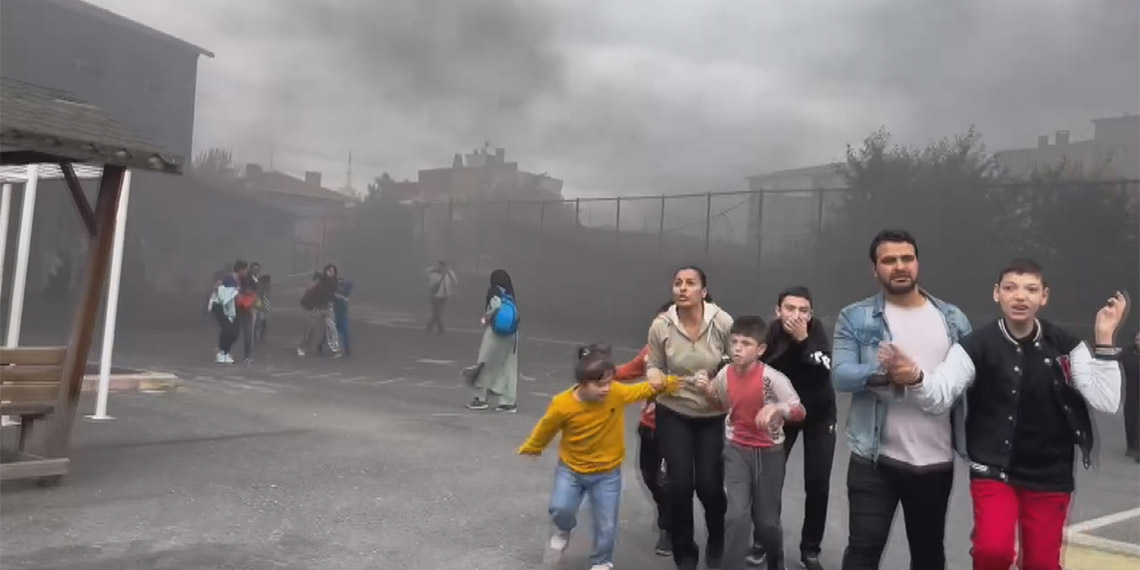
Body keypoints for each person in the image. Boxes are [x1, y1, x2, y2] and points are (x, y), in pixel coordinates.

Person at [881, 259, 1128, 570]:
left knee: (1041, 564)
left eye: (1031, 289)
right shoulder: (975, 345)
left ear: (1044, 296)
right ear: (997, 293)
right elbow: (938, 395)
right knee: (992, 552)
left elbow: (1106, 400)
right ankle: (989, 540)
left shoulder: (1067, 345)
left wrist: (1104, 337)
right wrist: (916, 376)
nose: (1020, 296)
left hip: (1051, 474)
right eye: (1011, 288)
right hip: (993, 470)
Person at [831, 229, 971, 570]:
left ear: (917, 263)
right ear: (875, 269)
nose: (899, 266)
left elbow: (970, 378)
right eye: (889, 260)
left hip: (935, 462)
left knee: (928, 554)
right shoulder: (855, 316)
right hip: (874, 458)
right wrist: (887, 374)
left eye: (907, 258)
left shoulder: (953, 319)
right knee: (863, 551)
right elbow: (841, 374)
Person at [518, 345, 679, 570]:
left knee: (606, 523)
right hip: (571, 470)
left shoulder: (616, 393)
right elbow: (546, 428)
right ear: (583, 382)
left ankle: (602, 561)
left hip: (607, 474)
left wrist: (675, 381)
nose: (606, 389)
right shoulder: (563, 404)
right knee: (560, 508)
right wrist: (533, 447)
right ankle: (564, 529)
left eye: (609, 382)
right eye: (599, 384)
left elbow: (644, 389)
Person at [697, 315, 805, 570]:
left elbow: (799, 411)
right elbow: (722, 406)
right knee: (736, 517)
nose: (737, 349)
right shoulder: (725, 374)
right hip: (736, 450)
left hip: (769, 453)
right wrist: (707, 391)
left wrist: (778, 408)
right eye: (734, 342)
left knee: (767, 522)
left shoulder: (772, 378)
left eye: (745, 344)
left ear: (761, 349)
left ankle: (775, 560)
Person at [646, 265, 734, 570]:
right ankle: (685, 553)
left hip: (712, 411)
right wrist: (654, 374)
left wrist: (716, 383)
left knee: (709, 485)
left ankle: (717, 537)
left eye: (690, 283)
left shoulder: (722, 322)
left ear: (703, 291)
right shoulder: (661, 326)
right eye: (677, 283)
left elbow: (737, 363)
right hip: (673, 410)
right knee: (680, 484)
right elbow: (653, 363)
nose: (682, 288)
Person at [753, 286, 834, 570]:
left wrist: (803, 341)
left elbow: (824, 369)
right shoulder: (770, 333)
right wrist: (798, 345)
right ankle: (764, 539)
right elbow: (764, 369)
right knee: (769, 480)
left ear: (811, 314)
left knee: (818, 483)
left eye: (803, 310)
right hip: (782, 415)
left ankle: (810, 549)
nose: (796, 315)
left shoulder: (817, 331)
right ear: (778, 311)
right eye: (790, 309)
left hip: (819, 415)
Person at [612, 301, 678, 557]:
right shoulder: (650, 350)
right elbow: (630, 370)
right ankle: (665, 511)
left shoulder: (694, 354)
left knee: (671, 479)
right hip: (650, 425)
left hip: (679, 425)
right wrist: (601, 371)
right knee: (649, 474)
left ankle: (669, 527)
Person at [464, 269, 520, 412]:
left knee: (485, 363)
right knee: (507, 367)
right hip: (511, 335)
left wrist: (486, 317)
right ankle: (508, 401)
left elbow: (495, 305)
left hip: (495, 333)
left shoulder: (495, 291)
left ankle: (481, 398)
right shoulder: (510, 295)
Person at [298, 264, 343, 359]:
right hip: (317, 308)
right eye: (329, 270)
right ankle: (302, 347)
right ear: (325, 271)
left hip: (328, 308)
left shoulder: (334, 282)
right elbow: (310, 289)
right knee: (311, 327)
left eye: (333, 271)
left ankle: (336, 350)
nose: (331, 272)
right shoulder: (320, 280)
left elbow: (336, 293)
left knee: (331, 330)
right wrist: (316, 279)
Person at [208, 271, 241, 364]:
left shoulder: (238, 285)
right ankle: (222, 352)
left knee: (233, 332)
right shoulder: (224, 285)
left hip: (230, 308)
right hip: (220, 307)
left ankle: (225, 351)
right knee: (227, 329)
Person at [426, 260, 458, 335]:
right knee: (437, 313)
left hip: (444, 296)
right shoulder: (433, 273)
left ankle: (435, 328)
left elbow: (455, 281)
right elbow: (425, 273)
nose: (440, 267)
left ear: (444, 267)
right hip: (434, 296)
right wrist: (434, 269)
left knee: (437, 313)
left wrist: (449, 272)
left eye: (442, 266)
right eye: (439, 266)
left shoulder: (448, 274)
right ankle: (437, 328)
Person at [236, 261, 257, 364]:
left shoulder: (250, 279)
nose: (245, 271)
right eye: (244, 270)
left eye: (246, 269)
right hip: (236, 310)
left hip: (247, 310)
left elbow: (256, 291)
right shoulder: (234, 279)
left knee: (248, 335)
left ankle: (246, 356)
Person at [1124, 330, 1140, 463]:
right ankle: (1131, 445)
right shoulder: (1128, 353)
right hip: (1132, 391)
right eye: (1138, 340)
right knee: (1130, 419)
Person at [254, 274, 272, 343]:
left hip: (263, 303)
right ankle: (257, 335)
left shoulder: (266, 287)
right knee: (259, 320)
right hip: (259, 303)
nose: (268, 284)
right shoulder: (259, 286)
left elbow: (267, 296)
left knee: (263, 320)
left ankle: (261, 335)